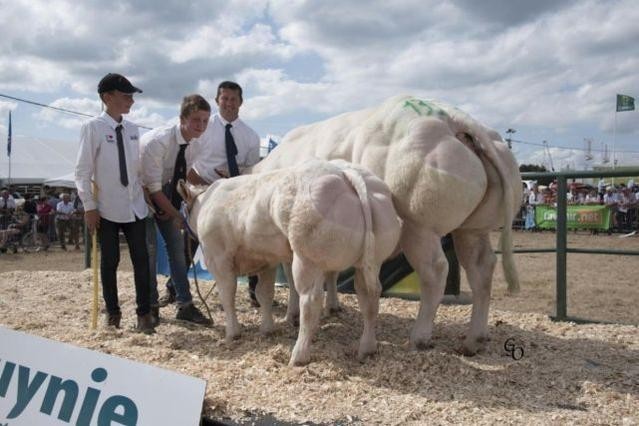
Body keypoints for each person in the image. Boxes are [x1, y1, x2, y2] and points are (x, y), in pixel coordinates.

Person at [159, 81, 262, 307]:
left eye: (233, 99)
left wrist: (234, 179)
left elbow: (252, 170)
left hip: (236, 196)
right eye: (224, 98)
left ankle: (256, 292)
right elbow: (186, 161)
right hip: (203, 192)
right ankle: (174, 288)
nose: (228, 103)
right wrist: (201, 182)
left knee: (251, 238)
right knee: (191, 240)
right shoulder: (204, 127)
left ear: (241, 103)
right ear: (217, 101)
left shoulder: (251, 137)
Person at [75, 72, 154, 333]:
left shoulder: (133, 130)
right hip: (106, 207)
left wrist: (146, 195)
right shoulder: (93, 128)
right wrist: (89, 206)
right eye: (126, 96)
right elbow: (82, 171)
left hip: (135, 206)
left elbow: (136, 168)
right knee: (109, 263)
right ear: (107, 97)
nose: (131, 100)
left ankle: (144, 314)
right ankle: (113, 313)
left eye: (132, 96)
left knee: (142, 261)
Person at [140, 94, 213, 326]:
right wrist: (177, 215)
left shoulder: (196, 143)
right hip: (138, 194)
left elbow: (186, 172)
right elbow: (151, 187)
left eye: (205, 120)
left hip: (164, 191)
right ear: (182, 118)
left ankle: (185, 305)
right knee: (149, 253)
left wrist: (212, 189)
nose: (201, 126)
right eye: (195, 120)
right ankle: (150, 307)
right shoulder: (158, 142)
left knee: (177, 251)